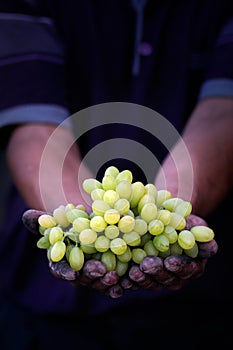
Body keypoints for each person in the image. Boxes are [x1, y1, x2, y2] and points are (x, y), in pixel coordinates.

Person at [0, 0, 232, 349]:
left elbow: (223, 115)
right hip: (45, 309)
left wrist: (175, 204)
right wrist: (71, 215)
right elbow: (34, 128)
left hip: (208, 306)